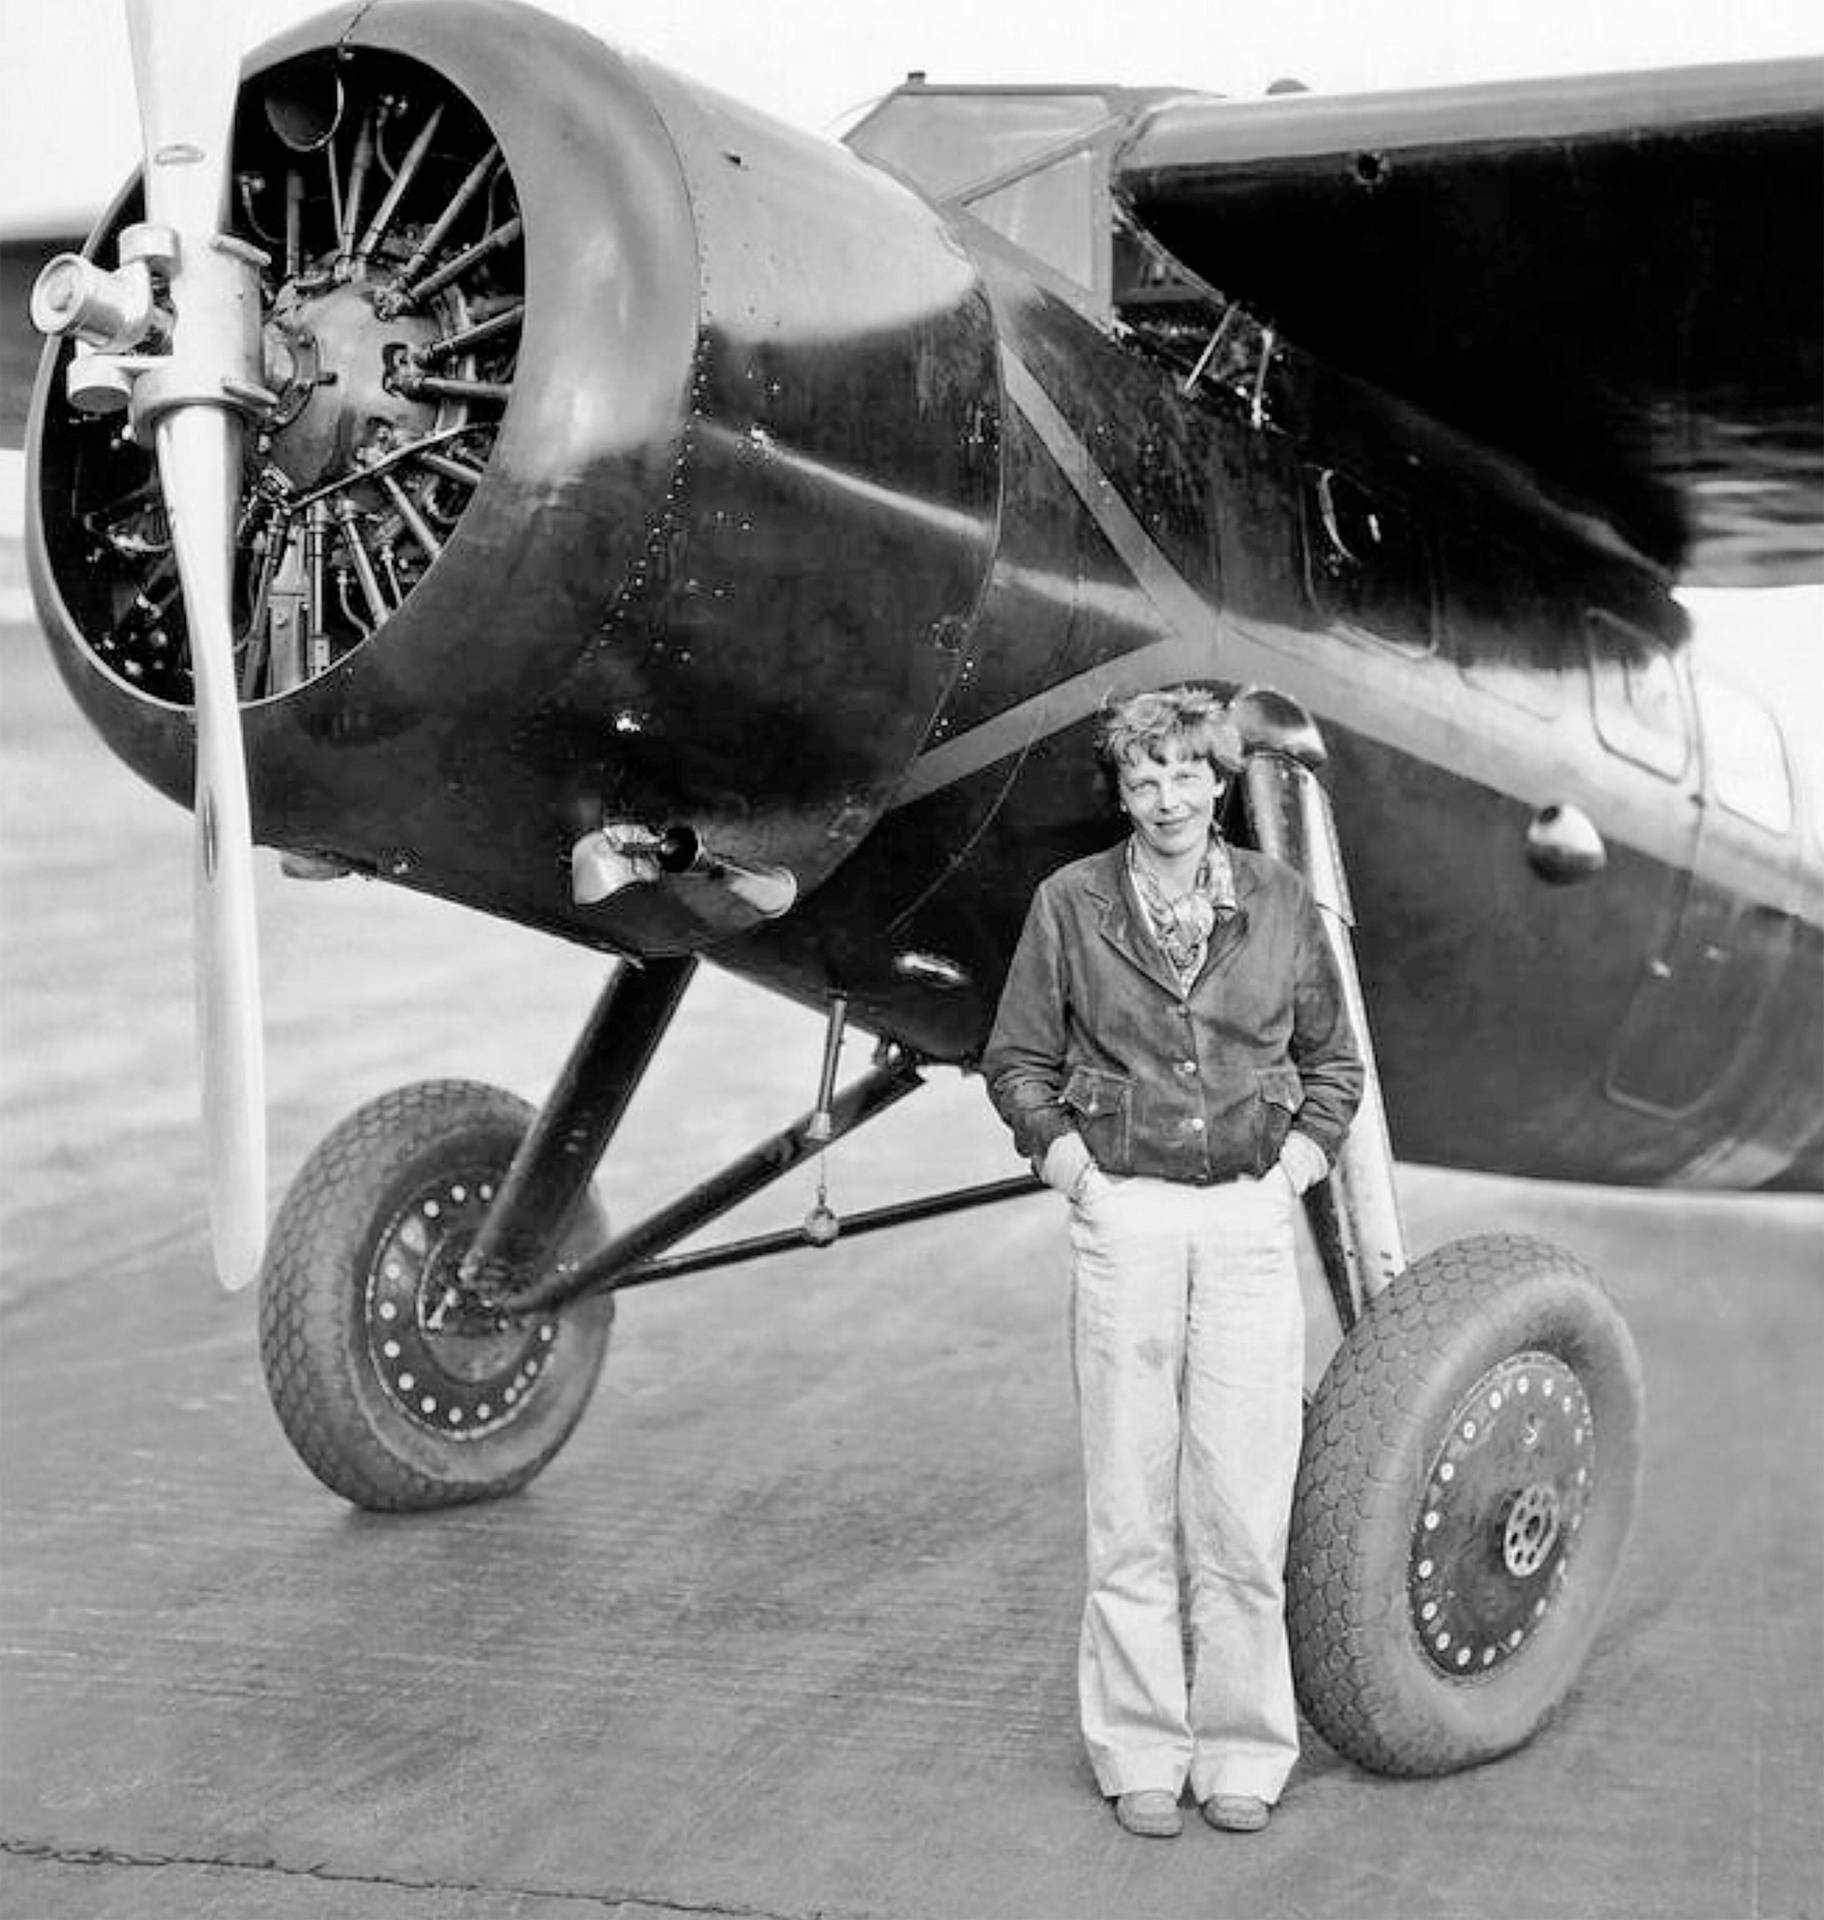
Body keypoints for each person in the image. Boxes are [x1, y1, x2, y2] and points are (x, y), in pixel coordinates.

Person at [981, 685, 1363, 1839]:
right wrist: (1077, 1178)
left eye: (1186, 775)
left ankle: (1244, 1749)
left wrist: (1290, 1174)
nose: (1165, 798)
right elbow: (1015, 1063)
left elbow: (1335, 1065)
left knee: (1243, 1508)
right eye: (1141, 779)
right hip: (1126, 1221)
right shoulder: (1071, 903)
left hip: (1246, 1221)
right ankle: (1141, 1748)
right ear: (1124, 790)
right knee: (1132, 1506)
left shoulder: (1281, 902)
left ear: (1218, 781)